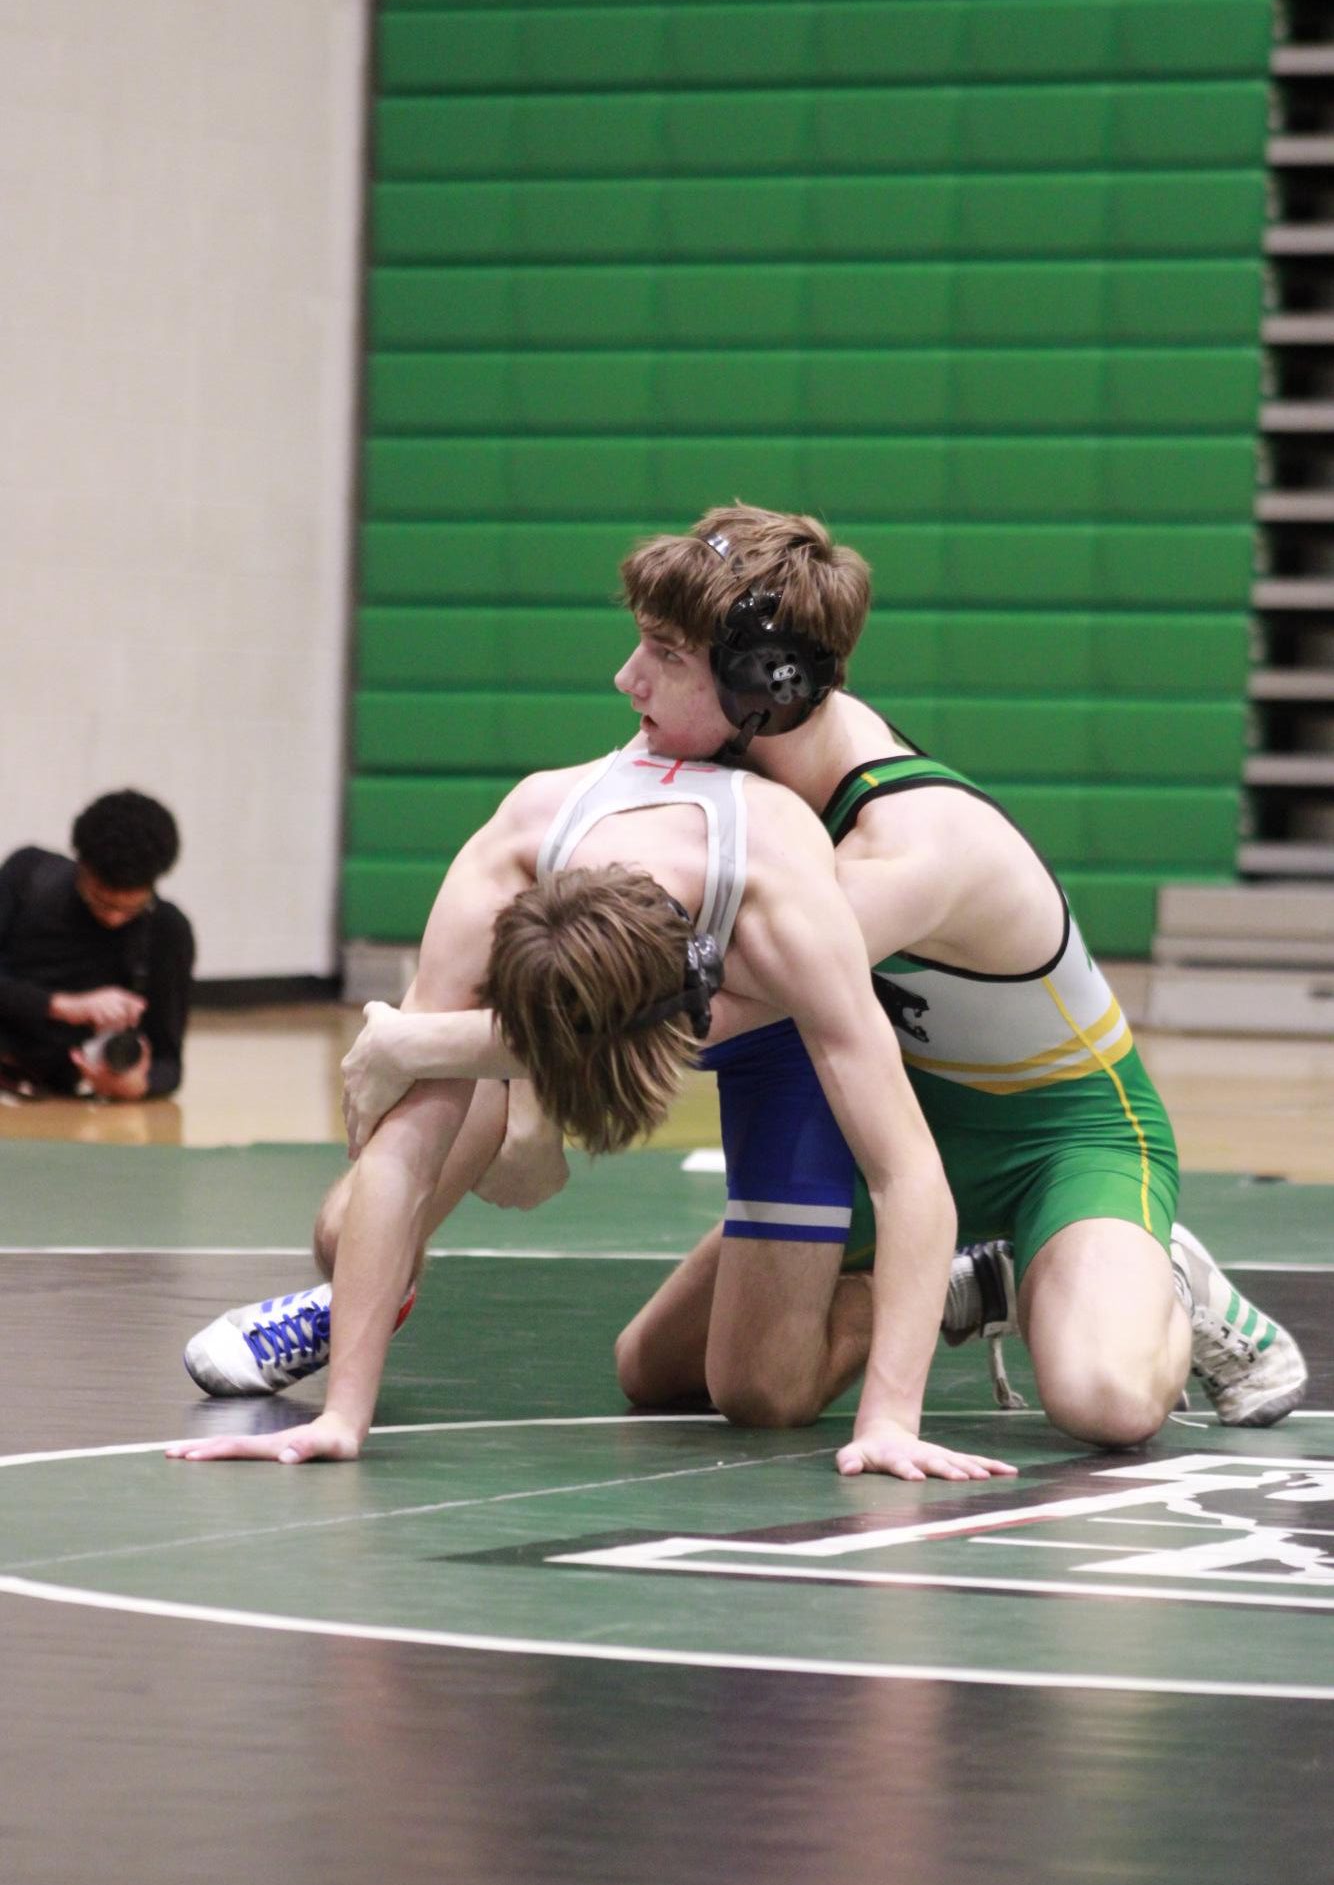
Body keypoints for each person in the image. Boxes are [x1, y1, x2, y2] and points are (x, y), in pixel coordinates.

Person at [319, 504, 1306, 1442]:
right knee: (670, 1372)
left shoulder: (906, 847)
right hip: (897, 1121)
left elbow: (675, 1012)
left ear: (764, 686)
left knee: (1101, 1400)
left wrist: (422, 1038)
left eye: (662, 657)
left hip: (1062, 1133)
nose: (626, 681)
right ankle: (986, 1277)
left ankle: (1165, 1279)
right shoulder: (734, 773)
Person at [169, 708, 1017, 1483]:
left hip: (776, 1042)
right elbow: (405, 1152)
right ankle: (359, 1298)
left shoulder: (782, 902)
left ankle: (955, 1284)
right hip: (595, 974)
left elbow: (905, 1168)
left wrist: (891, 1421)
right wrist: (341, 1414)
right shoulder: (518, 844)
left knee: (764, 1391)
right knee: (361, 1235)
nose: (627, 683)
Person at [0, 790, 193, 1101]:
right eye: (100, 902)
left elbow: (169, 1064)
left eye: (130, 909)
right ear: (82, 866)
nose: (114, 918)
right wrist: (63, 1006)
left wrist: (137, 1084)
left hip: (60, 1095)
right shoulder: (28, 876)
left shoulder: (166, 930)